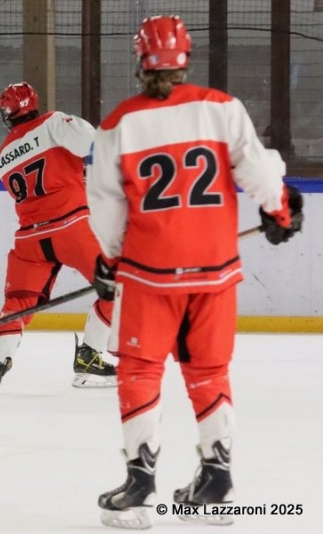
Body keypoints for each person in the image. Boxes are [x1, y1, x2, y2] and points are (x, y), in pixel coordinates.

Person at [87, 15, 303, 529]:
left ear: (139, 60)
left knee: (140, 370)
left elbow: (106, 205)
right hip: (214, 271)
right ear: (187, 56)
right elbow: (258, 167)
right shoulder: (222, 108)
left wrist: (111, 259)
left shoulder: (118, 123)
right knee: (209, 372)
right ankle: (217, 483)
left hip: (149, 272)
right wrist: (279, 211)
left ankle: (140, 488)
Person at [0, 81, 117, 393]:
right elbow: (95, 145)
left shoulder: (1, 157)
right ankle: (91, 359)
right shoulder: (53, 122)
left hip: (30, 238)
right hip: (72, 226)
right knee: (119, 284)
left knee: (17, 303)